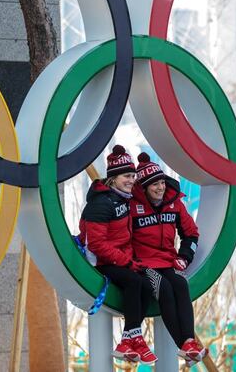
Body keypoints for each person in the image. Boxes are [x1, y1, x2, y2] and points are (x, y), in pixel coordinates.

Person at [78, 145, 156, 364]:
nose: (131, 180)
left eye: (133, 176)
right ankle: (134, 339)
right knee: (133, 281)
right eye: (126, 176)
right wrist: (127, 262)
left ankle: (128, 341)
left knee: (148, 283)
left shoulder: (123, 198)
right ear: (113, 178)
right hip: (100, 261)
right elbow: (96, 244)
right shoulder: (101, 203)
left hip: (120, 257)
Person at [131, 152, 208, 365]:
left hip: (167, 261)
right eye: (154, 184)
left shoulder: (174, 204)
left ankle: (189, 343)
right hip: (143, 265)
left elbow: (191, 233)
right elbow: (120, 236)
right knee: (163, 288)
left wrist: (185, 256)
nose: (160, 188)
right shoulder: (132, 207)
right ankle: (184, 346)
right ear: (144, 187)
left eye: (162, 182)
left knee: (181, 284)